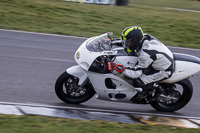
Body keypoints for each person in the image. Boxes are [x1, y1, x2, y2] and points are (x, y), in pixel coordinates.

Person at [112, 26, 174, 92]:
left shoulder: (145, 54)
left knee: (138, 82)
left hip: (163, 70)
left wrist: (117, 67)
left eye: (128, 42)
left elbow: (136, 73)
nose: (126, 44)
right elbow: (124, 41)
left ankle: (154, 92)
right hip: (156, 60)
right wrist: (111, 41)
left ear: (135, 41)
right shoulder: (142, 37)